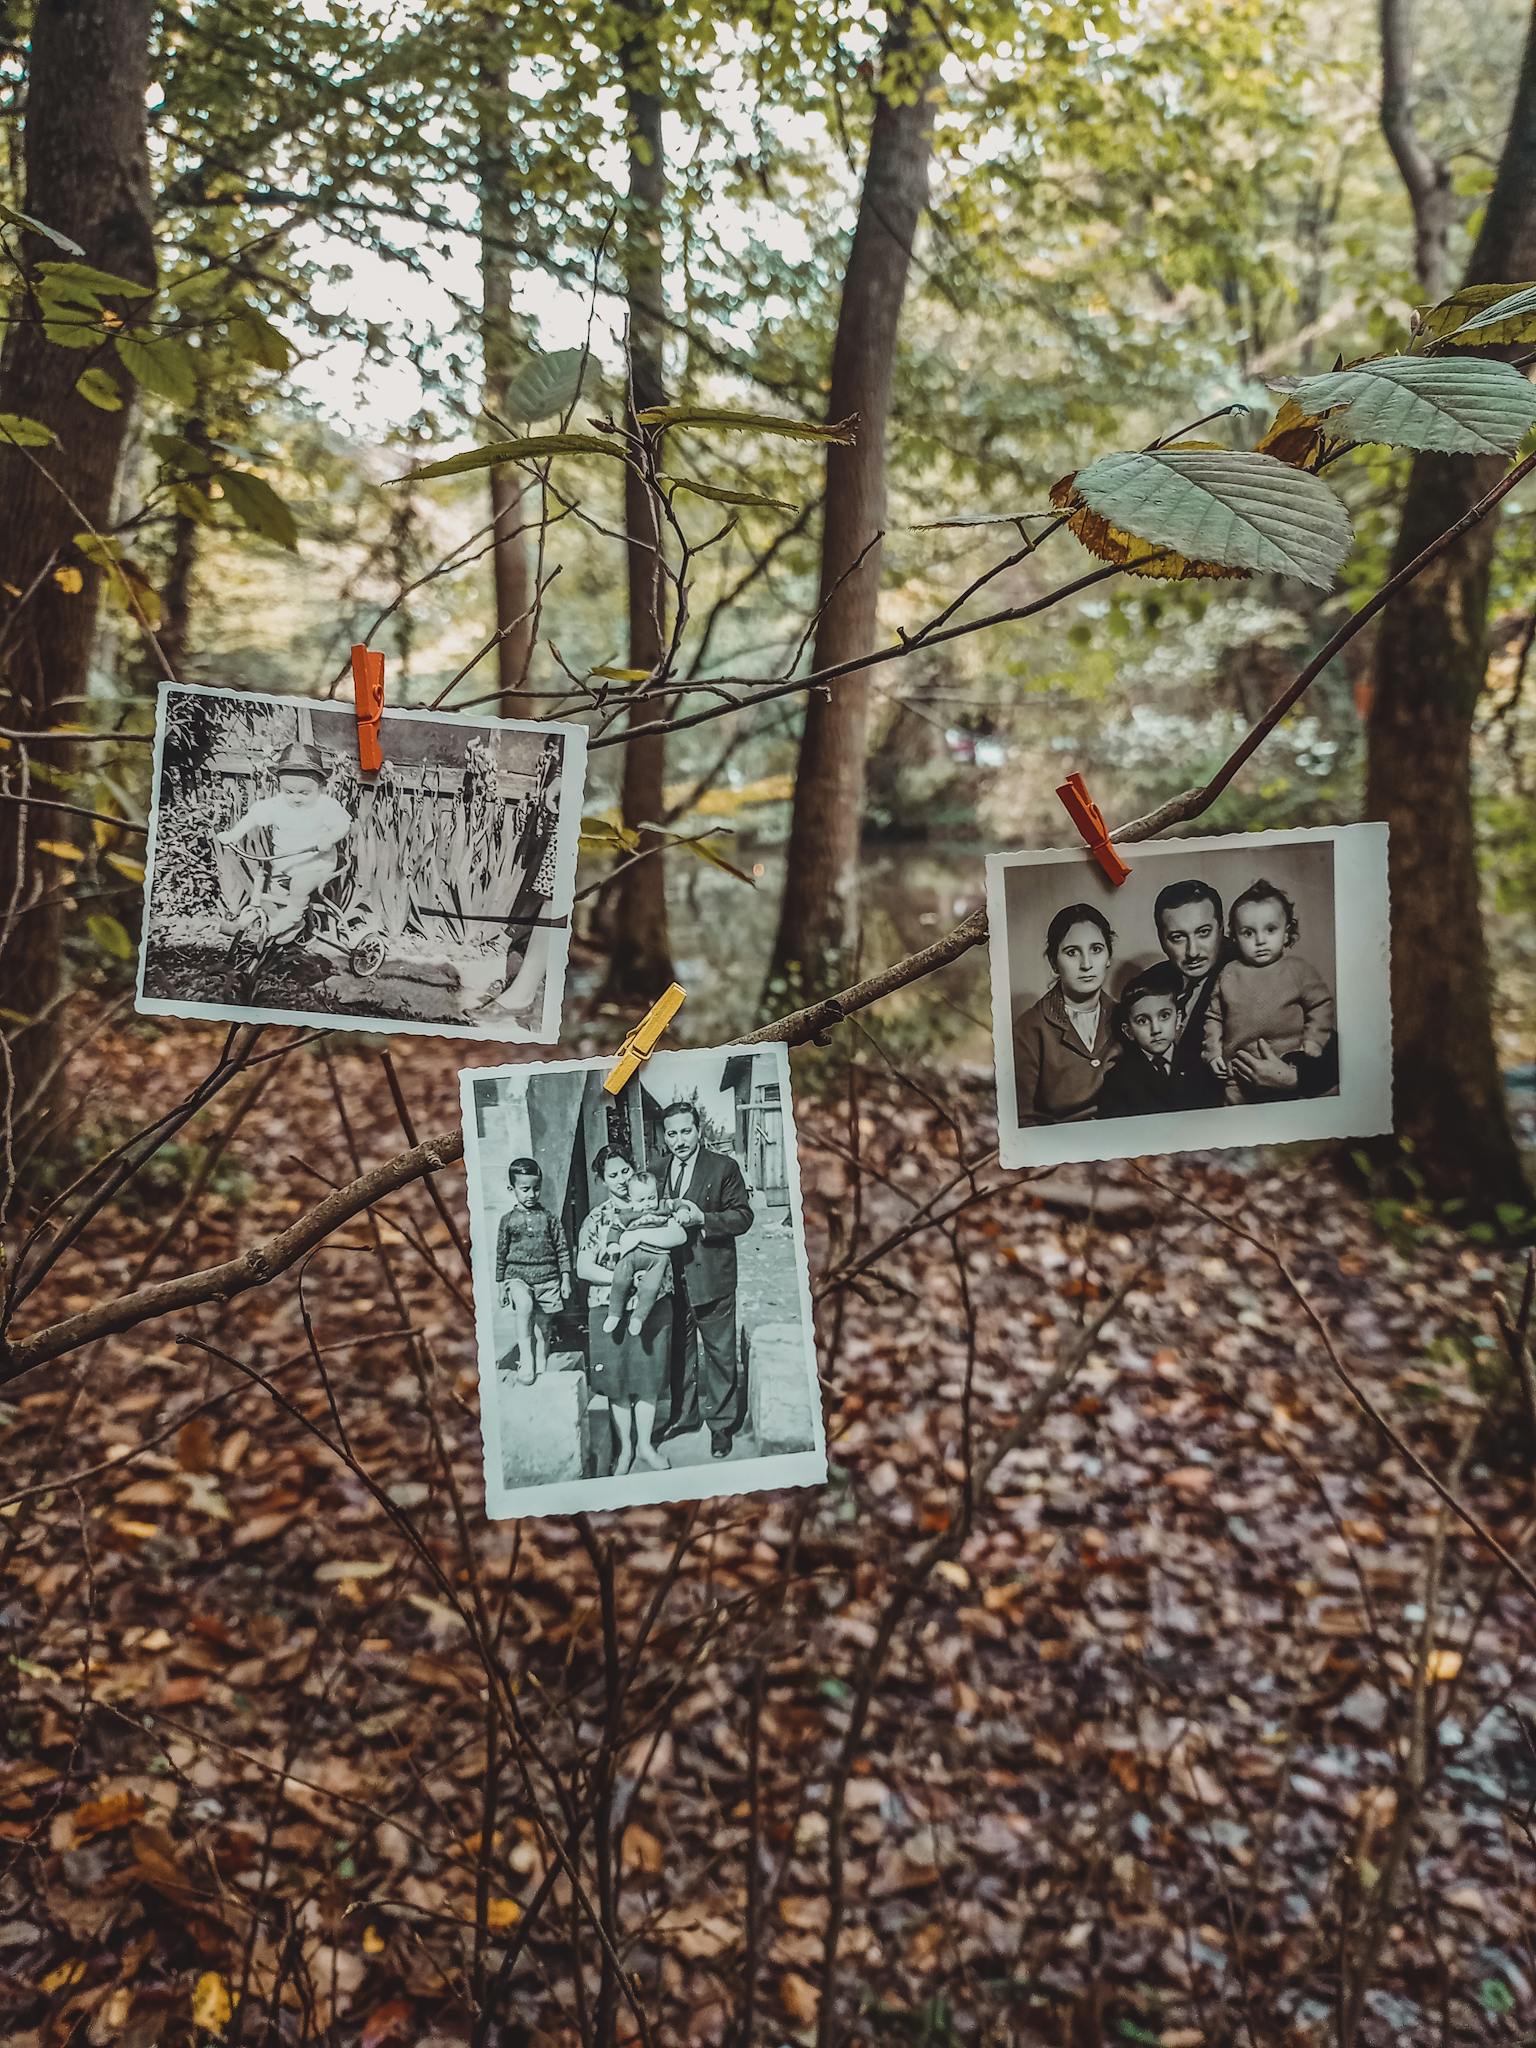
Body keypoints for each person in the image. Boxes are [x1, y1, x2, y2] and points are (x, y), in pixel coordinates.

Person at [576, 1145, 688, 1475]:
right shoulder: (597, 1218)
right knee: (617, 1383)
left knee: (649, 1380)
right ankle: (625, 1449)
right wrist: (621, 1280)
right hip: (607, 1307)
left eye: (625, 1171)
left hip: (652, 1307)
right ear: (601, 1180)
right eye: (612, 1175)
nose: (622, 1180)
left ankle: (646, 1447)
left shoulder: (654, 1204)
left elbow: (679, 1233)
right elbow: (584, 1267)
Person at [655, 1101, 753, 1460]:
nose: (679, 1140)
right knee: (679, 1353)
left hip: (713, 1275)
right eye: (672, 1133)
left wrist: (703, 1219)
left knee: (720, 1354)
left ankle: (722, 1426)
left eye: (685, 1131)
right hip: (671, 1280)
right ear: (665, 1136)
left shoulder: (724, 1167)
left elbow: (743, 1216)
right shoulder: (657, 1169)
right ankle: (684, 1417)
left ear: (698, 1130)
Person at [1203, 878, 1336, 1105]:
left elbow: (1320, 1005)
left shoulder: (1298, 970)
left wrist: (1314, 1040)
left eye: (1270, 929)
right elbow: (1213, 1017)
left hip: (1287, 1065)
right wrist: (1213, 1052)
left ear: (1286, 933)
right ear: (1234, 937)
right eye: (1248, 933)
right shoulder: (1228, 973)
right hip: (1237, 1075)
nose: (1260, 940)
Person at [214, 742, 352, 942]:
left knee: (299, 886)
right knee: (271, 894)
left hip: (315, 864)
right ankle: (281, 924)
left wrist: (329, 838)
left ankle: (295, 919)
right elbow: (253, 816)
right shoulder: (277, 805)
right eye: (289, 792)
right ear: (280, 787)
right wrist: (233, 835)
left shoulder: (325, 806)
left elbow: (343, 824)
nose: (296, 798)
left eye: (304, 793)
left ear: (321, 787)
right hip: (284, 863)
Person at [1012, 903, 1119, 1125]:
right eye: (1072, 952)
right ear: (1054, 963)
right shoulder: (1030, 1028)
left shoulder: (1126, 1017)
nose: (1087, 964)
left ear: (1109, 956)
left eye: (1096, 949)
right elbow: (1023, 1119)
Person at [494, 1157, 572, 1385]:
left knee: (544, 1329)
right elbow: (501, 1254)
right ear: (513, 1189)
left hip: (547, 1278)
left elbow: (562, 1250)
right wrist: (501, 1287)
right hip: (517, 1277)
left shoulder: (549, 1219)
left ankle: (541, 1367)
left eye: (536, 1189)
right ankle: (525, 1357)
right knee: (525, 1305)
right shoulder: (507, 1220)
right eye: (525, 1189)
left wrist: (565, 1279)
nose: (531, 1194)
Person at [1096, 961, 1193, 1119]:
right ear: (1129, 1031)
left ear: (1178, 1019)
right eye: (1142, 1021)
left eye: (1164, 1016)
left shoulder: (1197, 1065)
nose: (1156, 1029)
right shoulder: (1118, 1078)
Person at [601, 1168, 675, 1338]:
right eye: (641, 1200)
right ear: (632, 1200)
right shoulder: (629, 1214)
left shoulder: (662, 1208)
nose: (648, 1203)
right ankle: (614, 1313)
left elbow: (677, 1204)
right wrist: (613, 1244)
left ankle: (638, 1318)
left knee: (652, 1285)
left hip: (658, 1256)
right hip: (633, 1254)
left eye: (651, 1197)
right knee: (621, 1275)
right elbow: (615, 1228)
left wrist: (683, 1211)